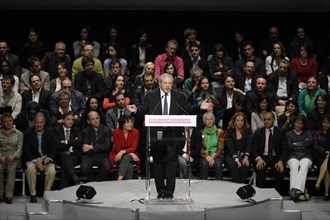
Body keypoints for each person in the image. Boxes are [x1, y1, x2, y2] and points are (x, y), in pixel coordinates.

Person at [126, 73, 212, 199]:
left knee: (171, 165)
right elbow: (143, 109)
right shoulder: (151, 96)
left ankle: (169, 192)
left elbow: (188, 109)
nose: (167, 86)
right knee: (158, 165)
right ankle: (160, 191)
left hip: (173, 136)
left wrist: (200, 107)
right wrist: (135, 111)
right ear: (160, 83)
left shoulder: (179, 96)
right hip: (156, 136)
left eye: (169, 83)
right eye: (165, 83)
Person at [22, 112, 56, 203]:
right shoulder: (28, 132)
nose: (39, 124)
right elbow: (26, 150)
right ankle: (33, 194)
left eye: (41, 122)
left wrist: (49, 159)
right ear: (34, 122)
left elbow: (53, 148)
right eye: (37, 122)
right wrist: (36, 162)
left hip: (46, 159)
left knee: (52, 171)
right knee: (30, 169)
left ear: (44, 122)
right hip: (32, 158)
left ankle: (47, 194)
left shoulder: (50, 132)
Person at [252, 111, 288, 193]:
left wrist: (281, 161)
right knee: (260, 168)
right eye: (264, 119)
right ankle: (262, 193)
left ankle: (277, 194)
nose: (266, 121)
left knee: (279, 170)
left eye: (269, 119)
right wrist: (258, 159)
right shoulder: (258, 132)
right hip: (263, 157)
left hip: (276, 157)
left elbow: (285, 149)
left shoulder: (280, 132)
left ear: (273, 120)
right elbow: (253, 149)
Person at [286, 114, 313, 201]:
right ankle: (297, 192)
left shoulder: (308, 132)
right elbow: (289, 146)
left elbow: (308, 143)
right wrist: (302, 145)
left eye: (301, 123)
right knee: (294, 167)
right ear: (294, 123)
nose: (298, 125)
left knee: (304, 166)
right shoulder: (288, 134)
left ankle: (294, 191)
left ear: (303, 125)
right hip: (292, 155)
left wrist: (295, 144)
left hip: (306, 155)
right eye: (297, 122)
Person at [53, 111, 82, 189]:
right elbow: (56, 145)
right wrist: (71, 146)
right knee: (64, 156)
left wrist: (66, 142)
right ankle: (73, 176)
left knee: (65, 164)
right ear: (63, 120)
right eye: (68, 119)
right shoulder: (56, 130)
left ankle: (63, 189)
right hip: (60, 155)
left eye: (72, 120)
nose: (70, 121)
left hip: (73, 156)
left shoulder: (76, 130)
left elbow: (79, 143)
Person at [81, 111, 112, 182]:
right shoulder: (85, 131)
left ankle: (98, 181)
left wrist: (92, 147)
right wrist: (100, 147)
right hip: (90, 156)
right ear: (88, 121)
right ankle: (93, 181)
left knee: (107, 167)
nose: (96, 121)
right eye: (93, 119)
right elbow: (85, 148)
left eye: (97, 118)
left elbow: (107, 147)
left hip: (103, 155)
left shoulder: (107, 130)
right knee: (84, 168)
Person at [0, 113, 23, 204]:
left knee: (11, 168)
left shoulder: (19, 133)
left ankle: (9, 195)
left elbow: (20, 149)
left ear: (12, 121)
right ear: (2, 123)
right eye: (5, 121)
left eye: (10, 121)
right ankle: (0, 193)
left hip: (14, 157)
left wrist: (14, 156)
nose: (8, 123)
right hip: (2, 156)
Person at [110, 115, 140, 180]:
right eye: (128, 122)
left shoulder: (135, 132)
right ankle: (127, 183)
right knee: (129, 166)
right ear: (123, 125)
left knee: (127, 157)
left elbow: (134, 148)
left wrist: (123, 152)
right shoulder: (116, 132)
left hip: (131, 154)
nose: (131, 124)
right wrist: (130, 153)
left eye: (131, 122)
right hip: (117, 154)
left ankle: (119, 179)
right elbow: (117, 148)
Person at [225, 112, 252, 183]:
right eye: (237, 120)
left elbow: (248, 144)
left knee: (245, 164)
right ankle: (236, 184)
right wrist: (236, 159)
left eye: (241, 120)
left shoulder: (247, 131)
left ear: (244, 122)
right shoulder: (229, 131)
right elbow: (230, 146)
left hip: (243, 154)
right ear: (234, 122)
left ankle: (241, 183)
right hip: (231, 154)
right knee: (233, 164)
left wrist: (246, 156)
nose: (240, 122)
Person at [199, 112, 225, 180]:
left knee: (218, 164)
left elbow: (221, 146)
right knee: (204, 163)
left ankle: (220, 184)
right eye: (207, 119)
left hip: (217, 154)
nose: (209, 121)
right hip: (205, 155)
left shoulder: (220, 132)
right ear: (204, 121)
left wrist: (214, 156)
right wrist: (207, 156)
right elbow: (200, 146)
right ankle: (202, 184)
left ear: (213, 120)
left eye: (211, 119)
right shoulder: (201, 132)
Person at [313, 114, 330, 200]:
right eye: (324, 122)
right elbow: (315, 146)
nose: (326, 124)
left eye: (328, 123)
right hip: (319, 156)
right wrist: (325, 152)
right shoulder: (317, 133)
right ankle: (326, 192)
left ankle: (318, 183)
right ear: (321, 123)